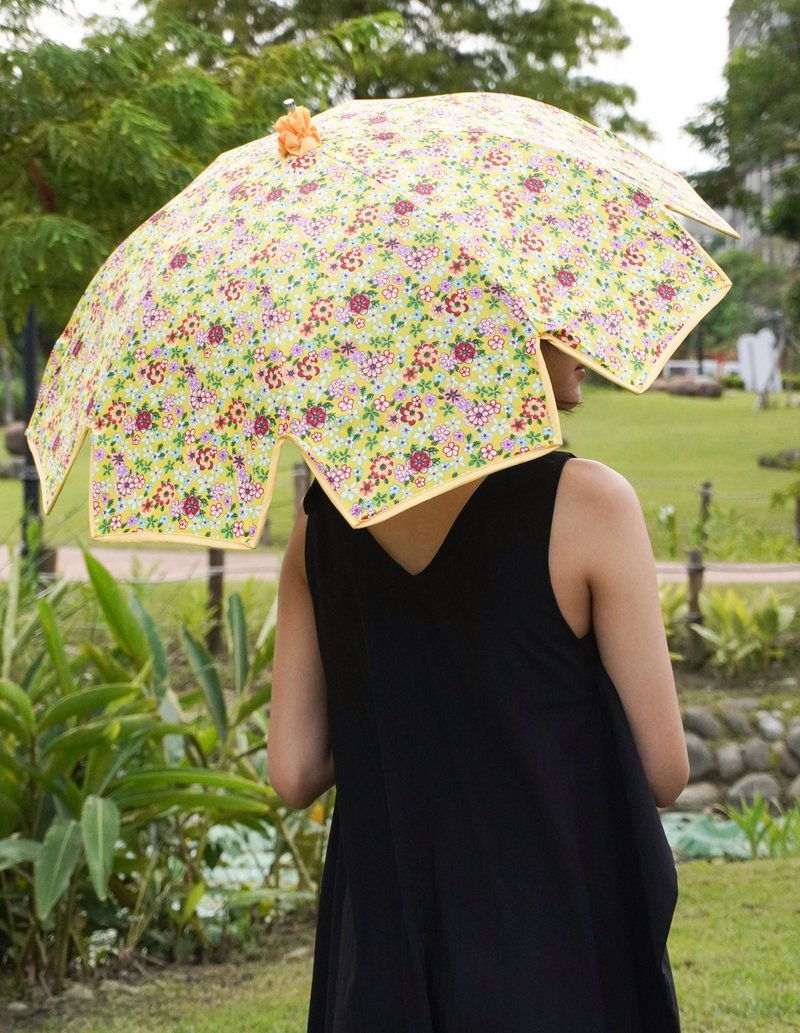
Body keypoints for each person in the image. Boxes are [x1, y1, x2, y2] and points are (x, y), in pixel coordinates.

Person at [268, 338, 690, 1033]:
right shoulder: (589, 503)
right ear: (489, 331)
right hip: (549, 949)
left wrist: (405, 693)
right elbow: (664, 770)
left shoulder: (322, 524)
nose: (584, 344)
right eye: (557, 318)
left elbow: (293, 771)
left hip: (381, 956)